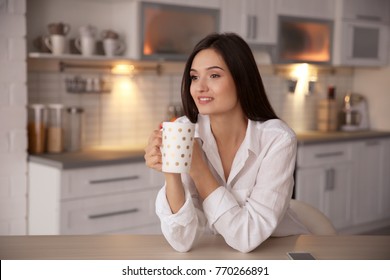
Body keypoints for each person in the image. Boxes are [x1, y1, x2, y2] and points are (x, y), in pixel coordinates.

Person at [144, 33, 309, 253]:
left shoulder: (277, 139)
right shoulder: (186, 131)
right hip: (221, 255)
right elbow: (181, 241)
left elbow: (247, 237)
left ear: (242, 80)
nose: (200, 87)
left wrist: (199, 168)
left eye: (214, 75)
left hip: (277, 251)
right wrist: (171, 169)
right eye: (194, 77)